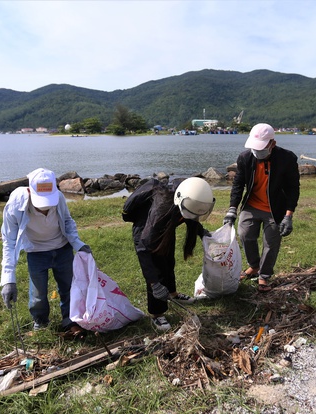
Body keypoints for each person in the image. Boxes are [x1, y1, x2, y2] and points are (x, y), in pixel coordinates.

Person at [0, 168, 92, 331]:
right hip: (36, 252)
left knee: (69, 287)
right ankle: (41, 321)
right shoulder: (16, 202)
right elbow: (9, 241)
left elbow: (68, 221)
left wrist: (77, 243)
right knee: (38, 294)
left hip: (63, 249)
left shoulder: (59, 197)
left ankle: (70, 319)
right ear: (30, 190)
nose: (45, 208)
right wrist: (8, 279)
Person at [122, 177, 214, 331]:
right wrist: (154, 283)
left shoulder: (190, 191)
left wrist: (202, 233)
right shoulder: (160, 212)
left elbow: (191, 216)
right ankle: (157, 314)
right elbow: (144, 250)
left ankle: (173, 293)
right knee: (157, 267)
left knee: (168, 261)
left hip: (167, 224)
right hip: (145, 228)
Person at [223, 123, 300, 293]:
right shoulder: (245, 158)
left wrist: (288, 215)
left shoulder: (287, 159)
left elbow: (293, 188)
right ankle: (254, 266)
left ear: (272, 143)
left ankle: (264, 276)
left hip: (275, 209)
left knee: (271, 243)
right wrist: (232, 210)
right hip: (251, 205)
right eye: (255, 147)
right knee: (245, 234)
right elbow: (238, 185)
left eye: (262, 148)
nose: (257, 152)